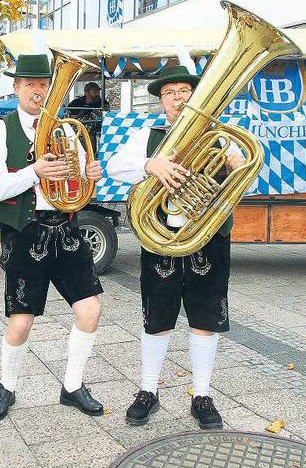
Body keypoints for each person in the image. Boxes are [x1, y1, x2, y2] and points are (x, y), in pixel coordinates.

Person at [106, 65, 245, 430]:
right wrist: (151, 164)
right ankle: (148, 391)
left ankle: (202, 395)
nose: (178, 98)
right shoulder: (148, 135)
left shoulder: (220, 135)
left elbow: (245, 166)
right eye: (171, 93)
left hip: (208, 239)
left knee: (205, 318)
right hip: (162, 236)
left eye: (185, 91)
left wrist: (235, 160)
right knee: (157, 318)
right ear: (161, 100)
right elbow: (115, 165)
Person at [0, 54, 105, 421]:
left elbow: (79, 182)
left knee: (90, 310)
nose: (38, 90)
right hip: (25, 231)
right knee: (20, 321)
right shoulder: (2, 130)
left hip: (65, 228)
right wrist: (34, 171)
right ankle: (6, 385)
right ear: (16, 88)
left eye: (44, 84)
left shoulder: (66, 130)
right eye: (30, 84)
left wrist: (90, 174)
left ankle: (73, 386)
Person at [67, 81, 110, 153]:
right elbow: (69, 118)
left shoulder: (103, 102)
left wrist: (88, 115)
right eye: (95, 91)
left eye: (98, 91)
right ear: (86, 92)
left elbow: (102, 116)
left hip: (95, 132)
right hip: (77, 133)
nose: (97, 93)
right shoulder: (75, 103)